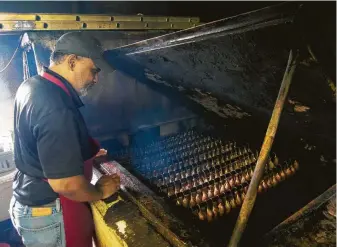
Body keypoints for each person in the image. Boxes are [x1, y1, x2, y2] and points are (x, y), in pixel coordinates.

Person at [9, 31, 120, 247]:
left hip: (28, 200)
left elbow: (38, 140)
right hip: (49, 212)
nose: (95, 79)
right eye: (93, 71)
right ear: (72, 61)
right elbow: (66, 184)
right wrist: (98, 191)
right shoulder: (56, 106)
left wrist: (74, 150)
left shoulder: (32, 85)